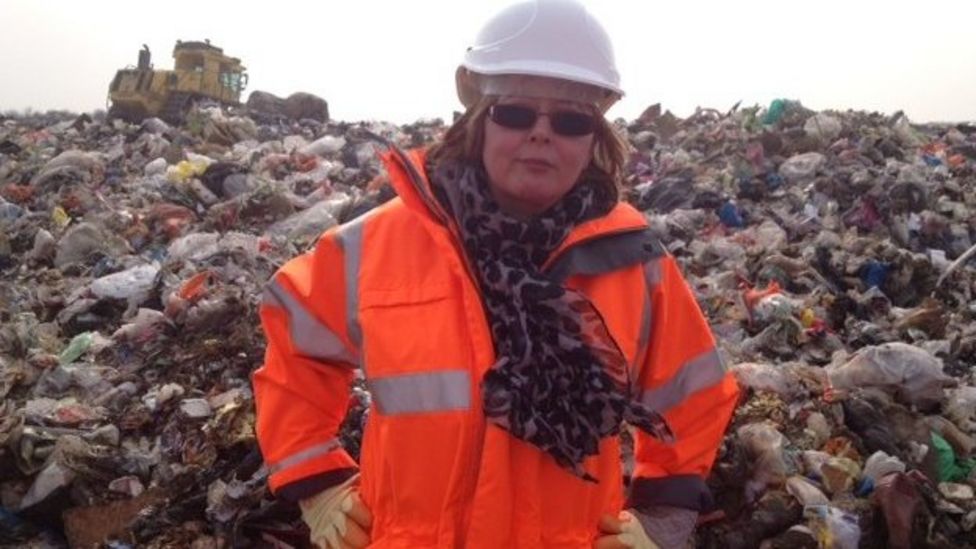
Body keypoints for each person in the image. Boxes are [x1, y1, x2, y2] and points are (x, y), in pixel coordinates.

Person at [252, 0, 740, 547]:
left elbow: (695, 393)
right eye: (515, 111)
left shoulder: (633, 261)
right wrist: (317, 483)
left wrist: (661, 521)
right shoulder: (374, 246)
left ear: (594, 133)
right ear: (477, 114)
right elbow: (296, 353)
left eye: (571, 119)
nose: (541, 133)